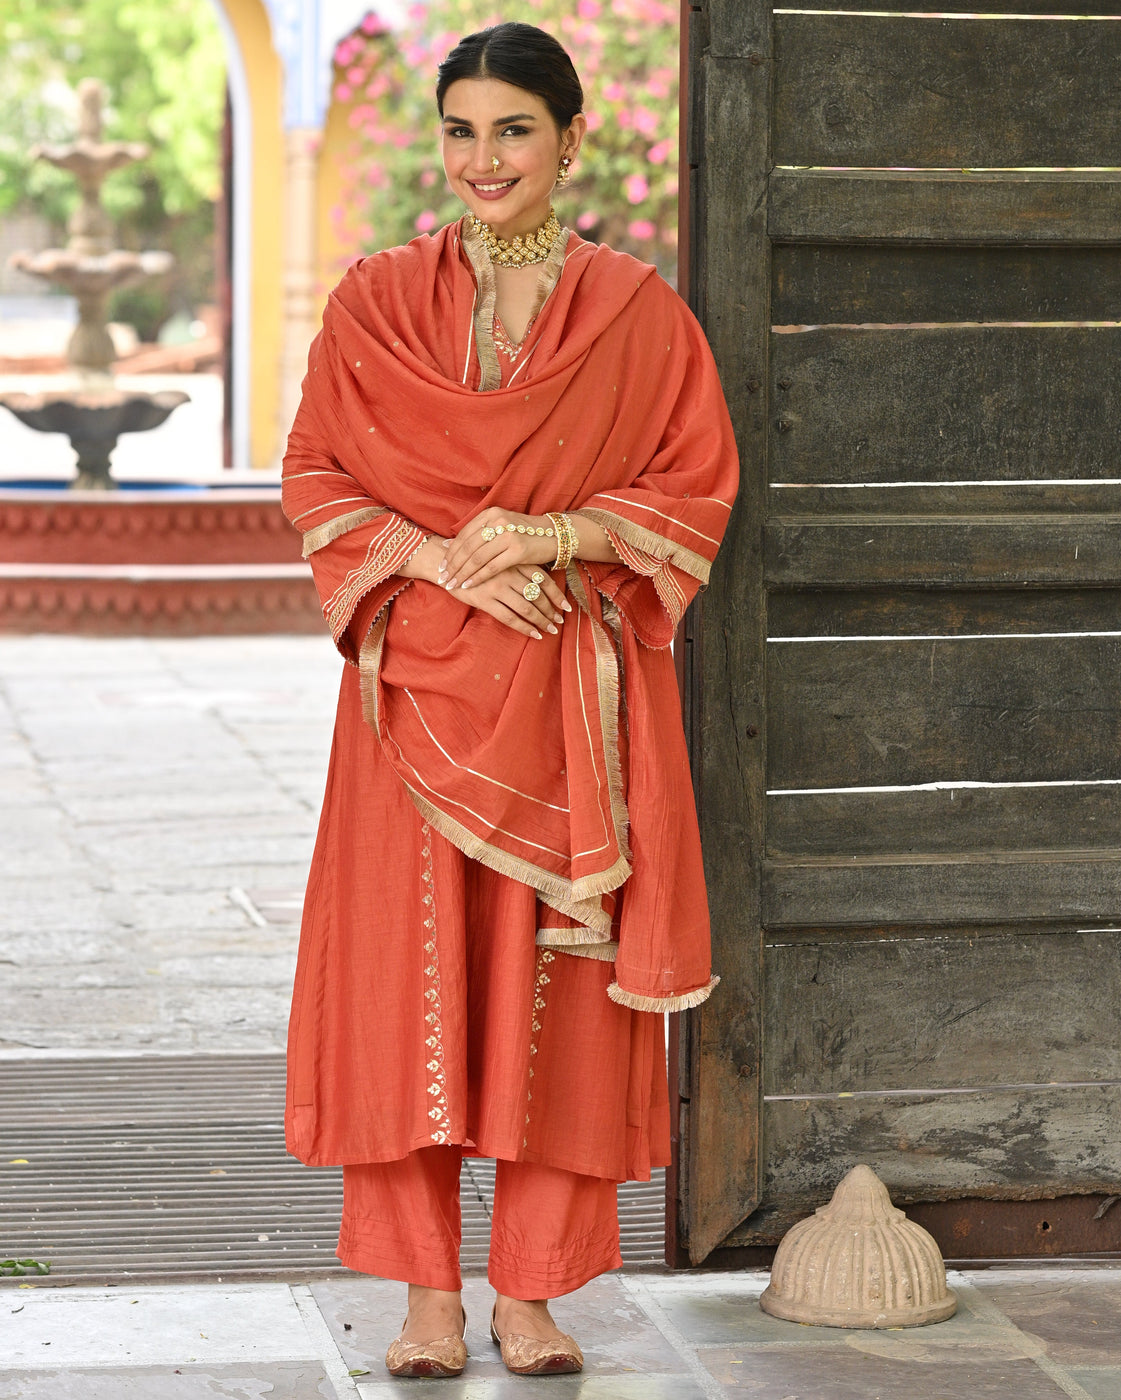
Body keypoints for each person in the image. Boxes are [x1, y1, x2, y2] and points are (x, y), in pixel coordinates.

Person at [281, 20, 738, 1381]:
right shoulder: (375, 303)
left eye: (515, 131)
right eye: (462, 131)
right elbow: (315, 475)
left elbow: (695, 485)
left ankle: (532, 1296)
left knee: (561, 1008)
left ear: (570, 139)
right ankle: (425, 1300)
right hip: (415, 700)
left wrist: (549, 537)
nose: (485, 160)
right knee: (405, 992)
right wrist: (436, 555)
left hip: (567, 706)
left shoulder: (636, 315)